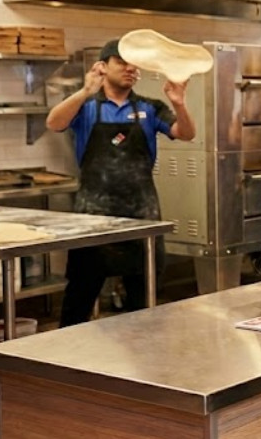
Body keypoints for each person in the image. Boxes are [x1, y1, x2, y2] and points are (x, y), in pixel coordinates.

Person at [45, 39, 196, 326]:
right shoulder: (86, 106)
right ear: (102, 66)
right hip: (93, 216)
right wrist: (85, 90)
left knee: (143, 305)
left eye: (134, 64)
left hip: (141, 215)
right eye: (122, 62)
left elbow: (186, 133)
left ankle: (141, 351)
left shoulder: (151, 107)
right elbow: (54, 123)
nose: (130, 69)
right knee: (78, 300)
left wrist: (179, 103)